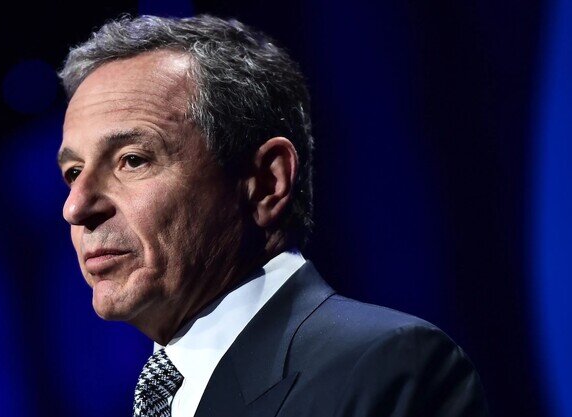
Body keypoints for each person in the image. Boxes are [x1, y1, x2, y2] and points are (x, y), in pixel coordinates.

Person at [56, 14, 490, 417]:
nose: (75, 207)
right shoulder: (164, 394)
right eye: (73, 172)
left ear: (267, 182)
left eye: (132, 160)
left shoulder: (382, 367)